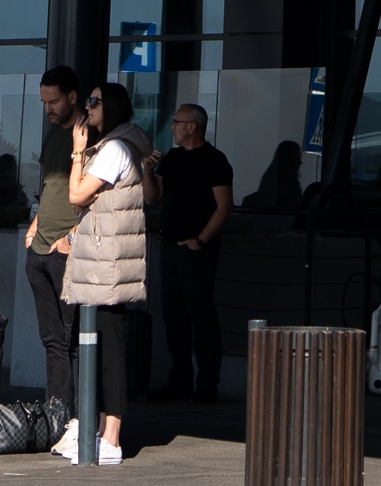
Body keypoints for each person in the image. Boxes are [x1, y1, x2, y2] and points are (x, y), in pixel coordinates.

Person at [55, 82, 154, 463]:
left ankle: (110, 437)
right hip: (105, 259)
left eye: (94, 102)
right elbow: (152, 195)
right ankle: (95, 429)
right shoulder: (124, 145)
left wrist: (78, 153)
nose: (88, 107)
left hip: (107, 262)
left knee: (109, 349)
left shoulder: (113, 149)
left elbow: (77, 195)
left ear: (110, 107)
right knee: (97, 347)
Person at [147, 103, 232, 401]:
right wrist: (148, 169)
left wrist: (202, 240)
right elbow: (153, 196)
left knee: (201, 313)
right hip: (169, 246)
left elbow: (224, 206)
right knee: (173, 315)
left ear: (192, 126)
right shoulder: (172, 159)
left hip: (196, 250)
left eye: (177, 122)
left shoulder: (214, 160)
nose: (172, 127)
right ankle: (179, 379)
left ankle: (207, 384)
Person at [19, 67, 86, 400]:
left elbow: (99, 197)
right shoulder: (54, 134)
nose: (48, 109)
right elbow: (49, 188)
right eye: (44, 102)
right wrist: (34, 227)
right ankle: (56, 411)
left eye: (54, 101)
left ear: (73, 97)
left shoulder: (90, 136)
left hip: (67, 251)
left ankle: (79, 419)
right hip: (40, 249)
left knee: (75, 337)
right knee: (52, 339)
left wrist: (71, 238)